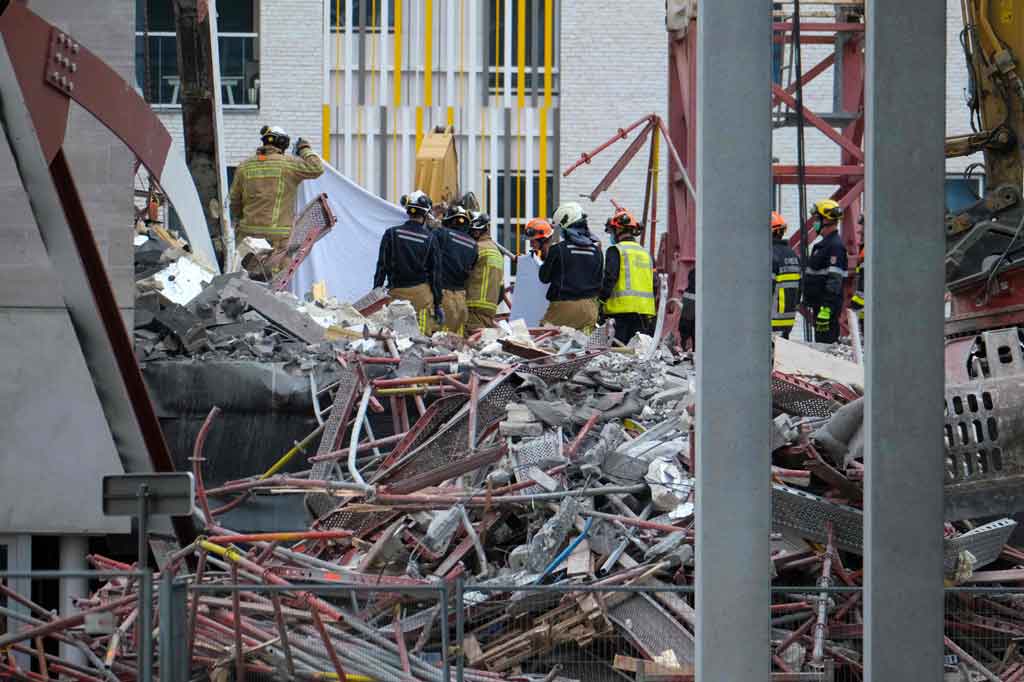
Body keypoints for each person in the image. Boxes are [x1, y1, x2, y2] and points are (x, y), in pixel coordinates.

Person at [230, 125, 324, 276]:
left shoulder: (245, 166)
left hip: (247, 235)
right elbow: (317, 168)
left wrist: (242, 220)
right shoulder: (289, 164)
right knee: (271, 282)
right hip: (277, 239)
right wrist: (304, 148)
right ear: (283, 144)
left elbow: (234, 200)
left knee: (241, 277)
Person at [373, 190, 443, 334]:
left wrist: (376, 295)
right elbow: (435, 274)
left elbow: (382, 267)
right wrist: (437, 304)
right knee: (421, 340)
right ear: (425, 214)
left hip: (396, 295)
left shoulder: (391, 233)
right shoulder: (430, 238)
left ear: (408, 211)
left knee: (397, 339)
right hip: (422, 297)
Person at [536, 202, 604, 332]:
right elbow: (600, 282)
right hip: (590, 310)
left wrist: (545, 258)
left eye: (560, 228)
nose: (560, 232)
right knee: (581, 348)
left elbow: (544, 277)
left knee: (544, 342)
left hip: (564, 308)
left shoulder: (558, 250)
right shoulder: (597, 252)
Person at [599, 207, 656, 344]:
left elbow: (610, 278)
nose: (612, 235)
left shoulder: (616, 250)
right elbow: (654, 284)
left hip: (620, 314)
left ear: (619, 230)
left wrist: (600, 301)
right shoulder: (645, 254)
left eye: (612, 231)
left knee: (618, 354)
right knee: (637, 354)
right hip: (643, 314)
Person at [802, 199, 847, 344]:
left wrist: (826, 309)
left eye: (817, 219)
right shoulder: (824, 246)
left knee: (825, 348)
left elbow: (834, 280)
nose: (815, 222)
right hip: (819, 307)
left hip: (825, 310)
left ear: (826, 220)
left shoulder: (835, 247)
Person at [433, 205, 479, 336]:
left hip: (443, 296)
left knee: (438, 339)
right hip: (461, 300)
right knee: (456, 342)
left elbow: (425, 245)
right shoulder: (473, 245)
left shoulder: (442, 234)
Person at [465, 211, 504, 334]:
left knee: (470, 343)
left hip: (473, 306)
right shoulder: (497, 252)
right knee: (483, 345)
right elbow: (501, 289)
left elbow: (462, 273)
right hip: (490, 308)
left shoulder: (476, 248)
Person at [770, 211, 802, 339]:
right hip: (788, 320)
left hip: (771, 320)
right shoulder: (793, 255)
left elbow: (765, 291)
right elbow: (800, 288)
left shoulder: (770, 255)